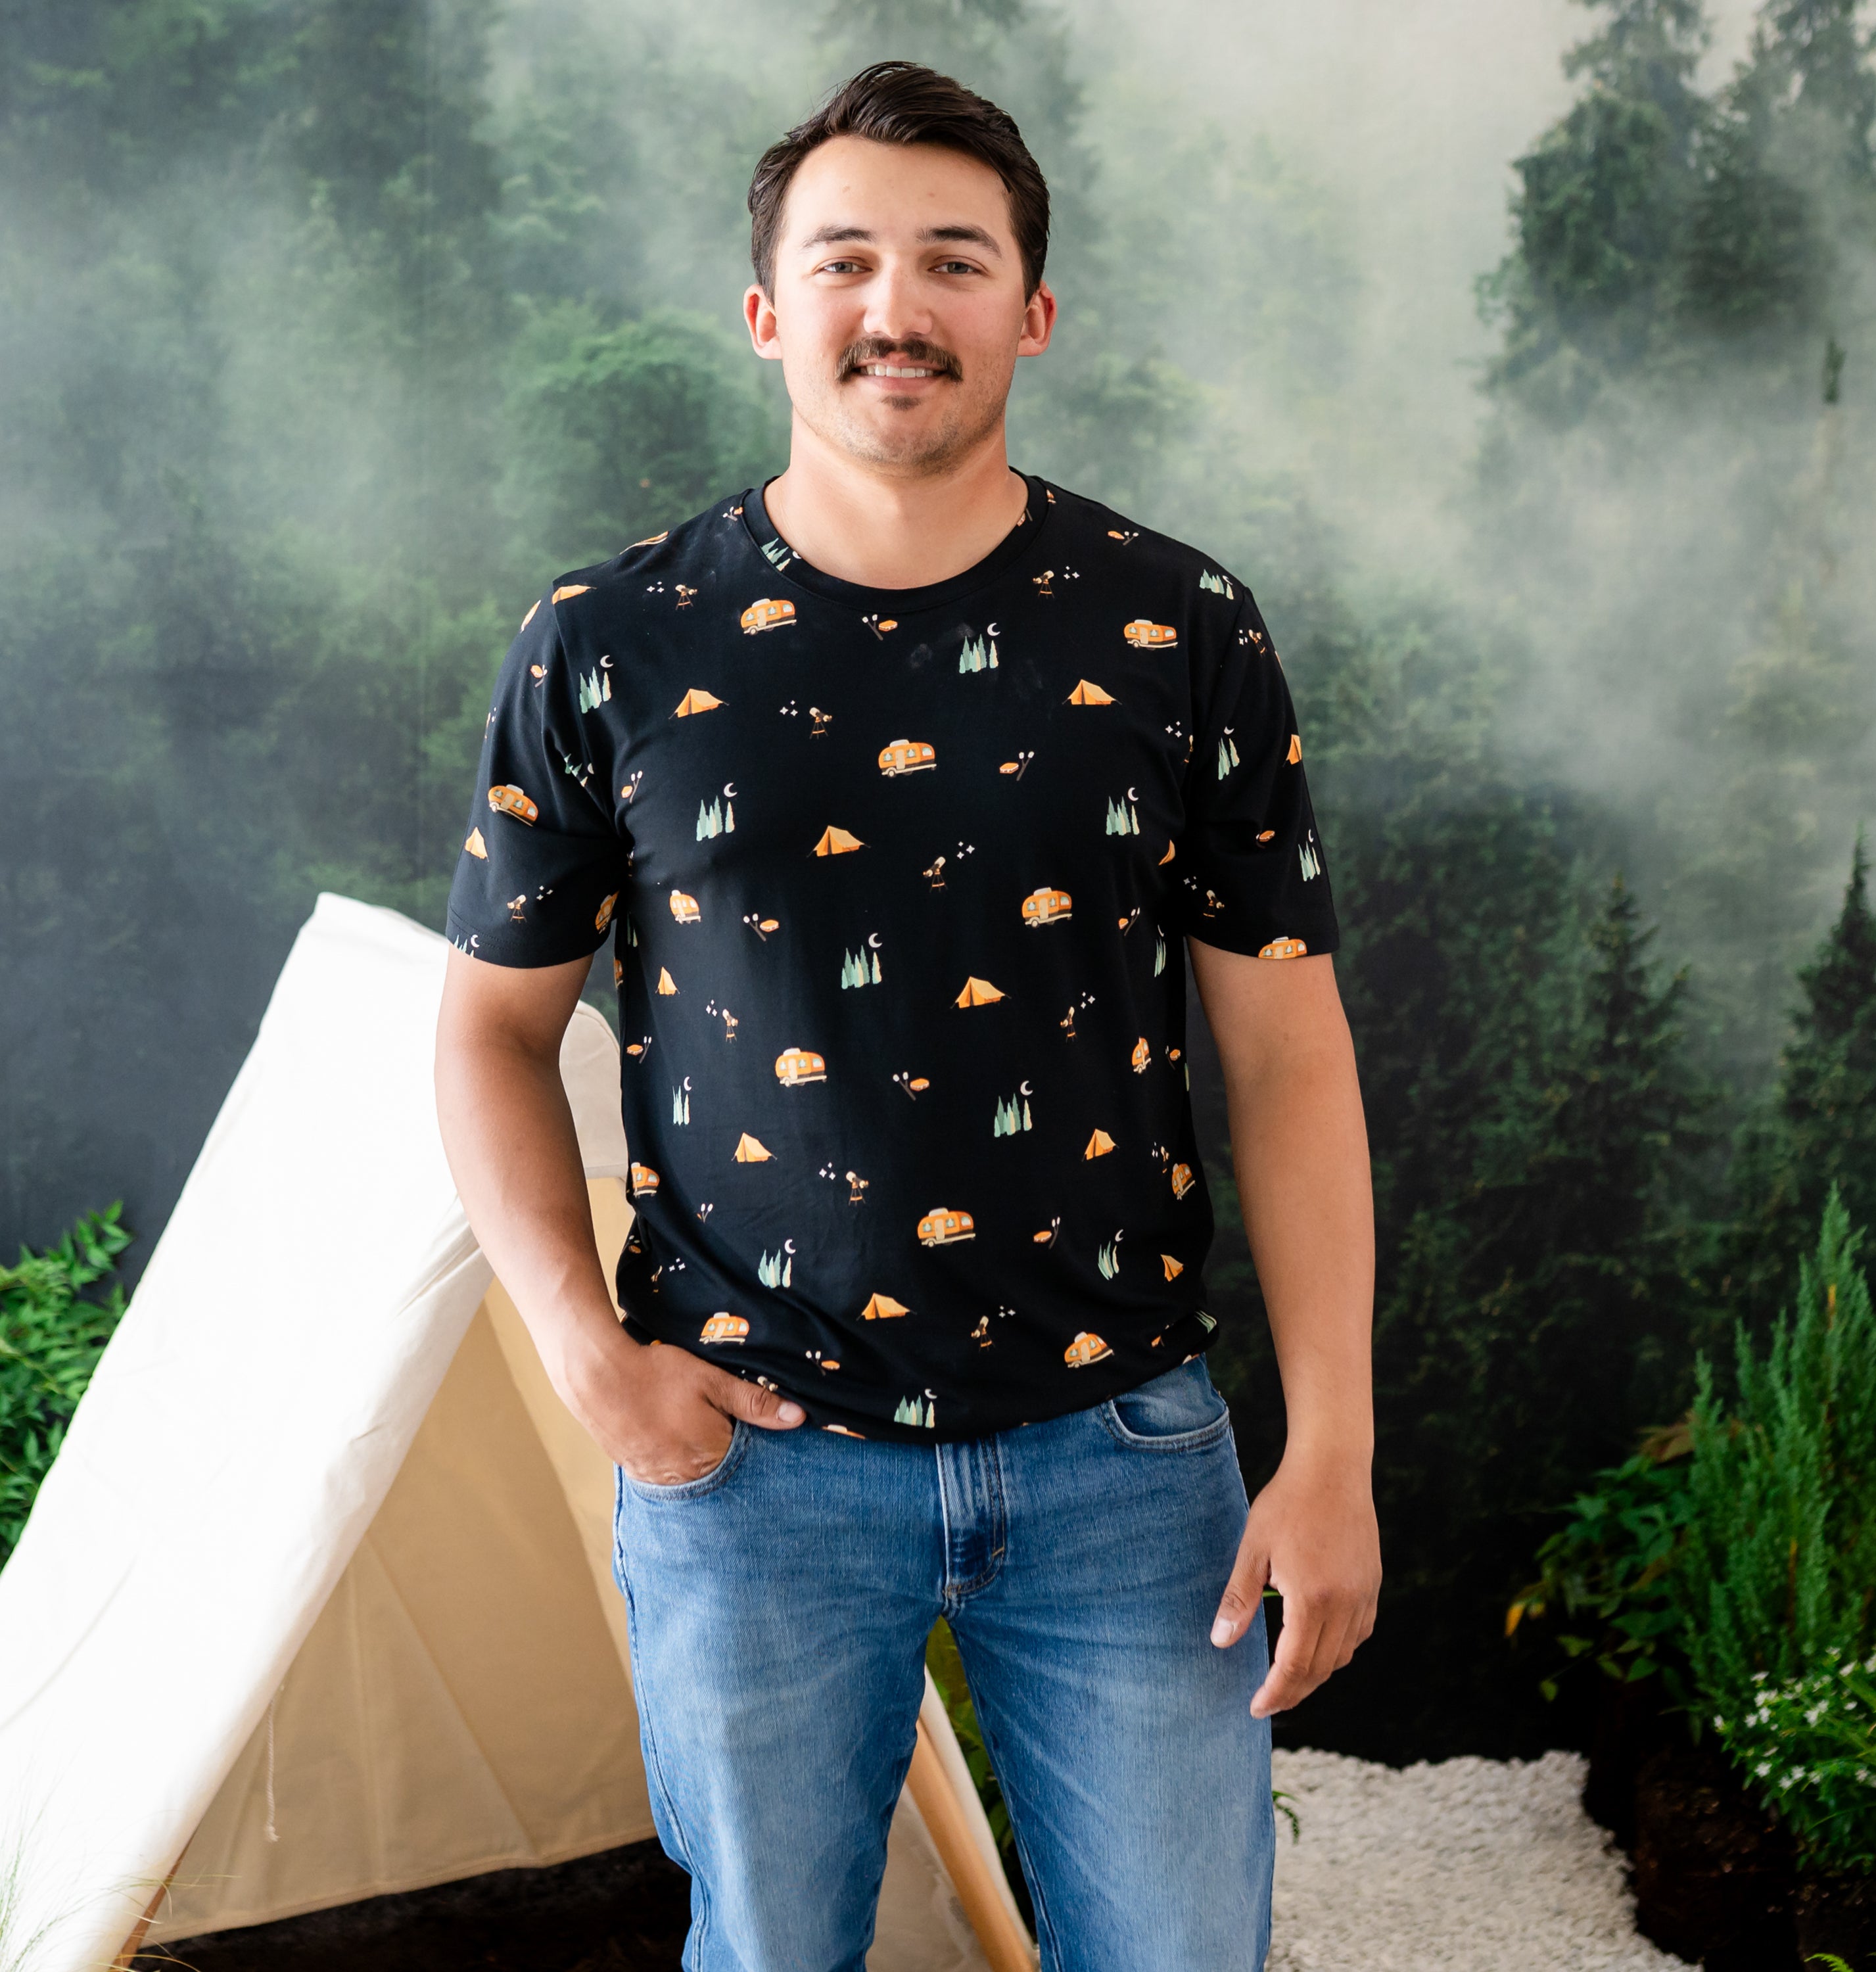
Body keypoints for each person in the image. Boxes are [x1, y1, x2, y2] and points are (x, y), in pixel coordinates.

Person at [434, 58, 1377, 1972]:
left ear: (1030, 311)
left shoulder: (1179, 630)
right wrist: (585, 1358)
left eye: (955, 260)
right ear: (771, 311)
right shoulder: (608, 641)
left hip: (1123, 1460)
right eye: (846, 258)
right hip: (749, 1465)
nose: (898, 306)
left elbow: (1286, 1058)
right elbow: (483, 1037)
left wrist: (1337, 1442)